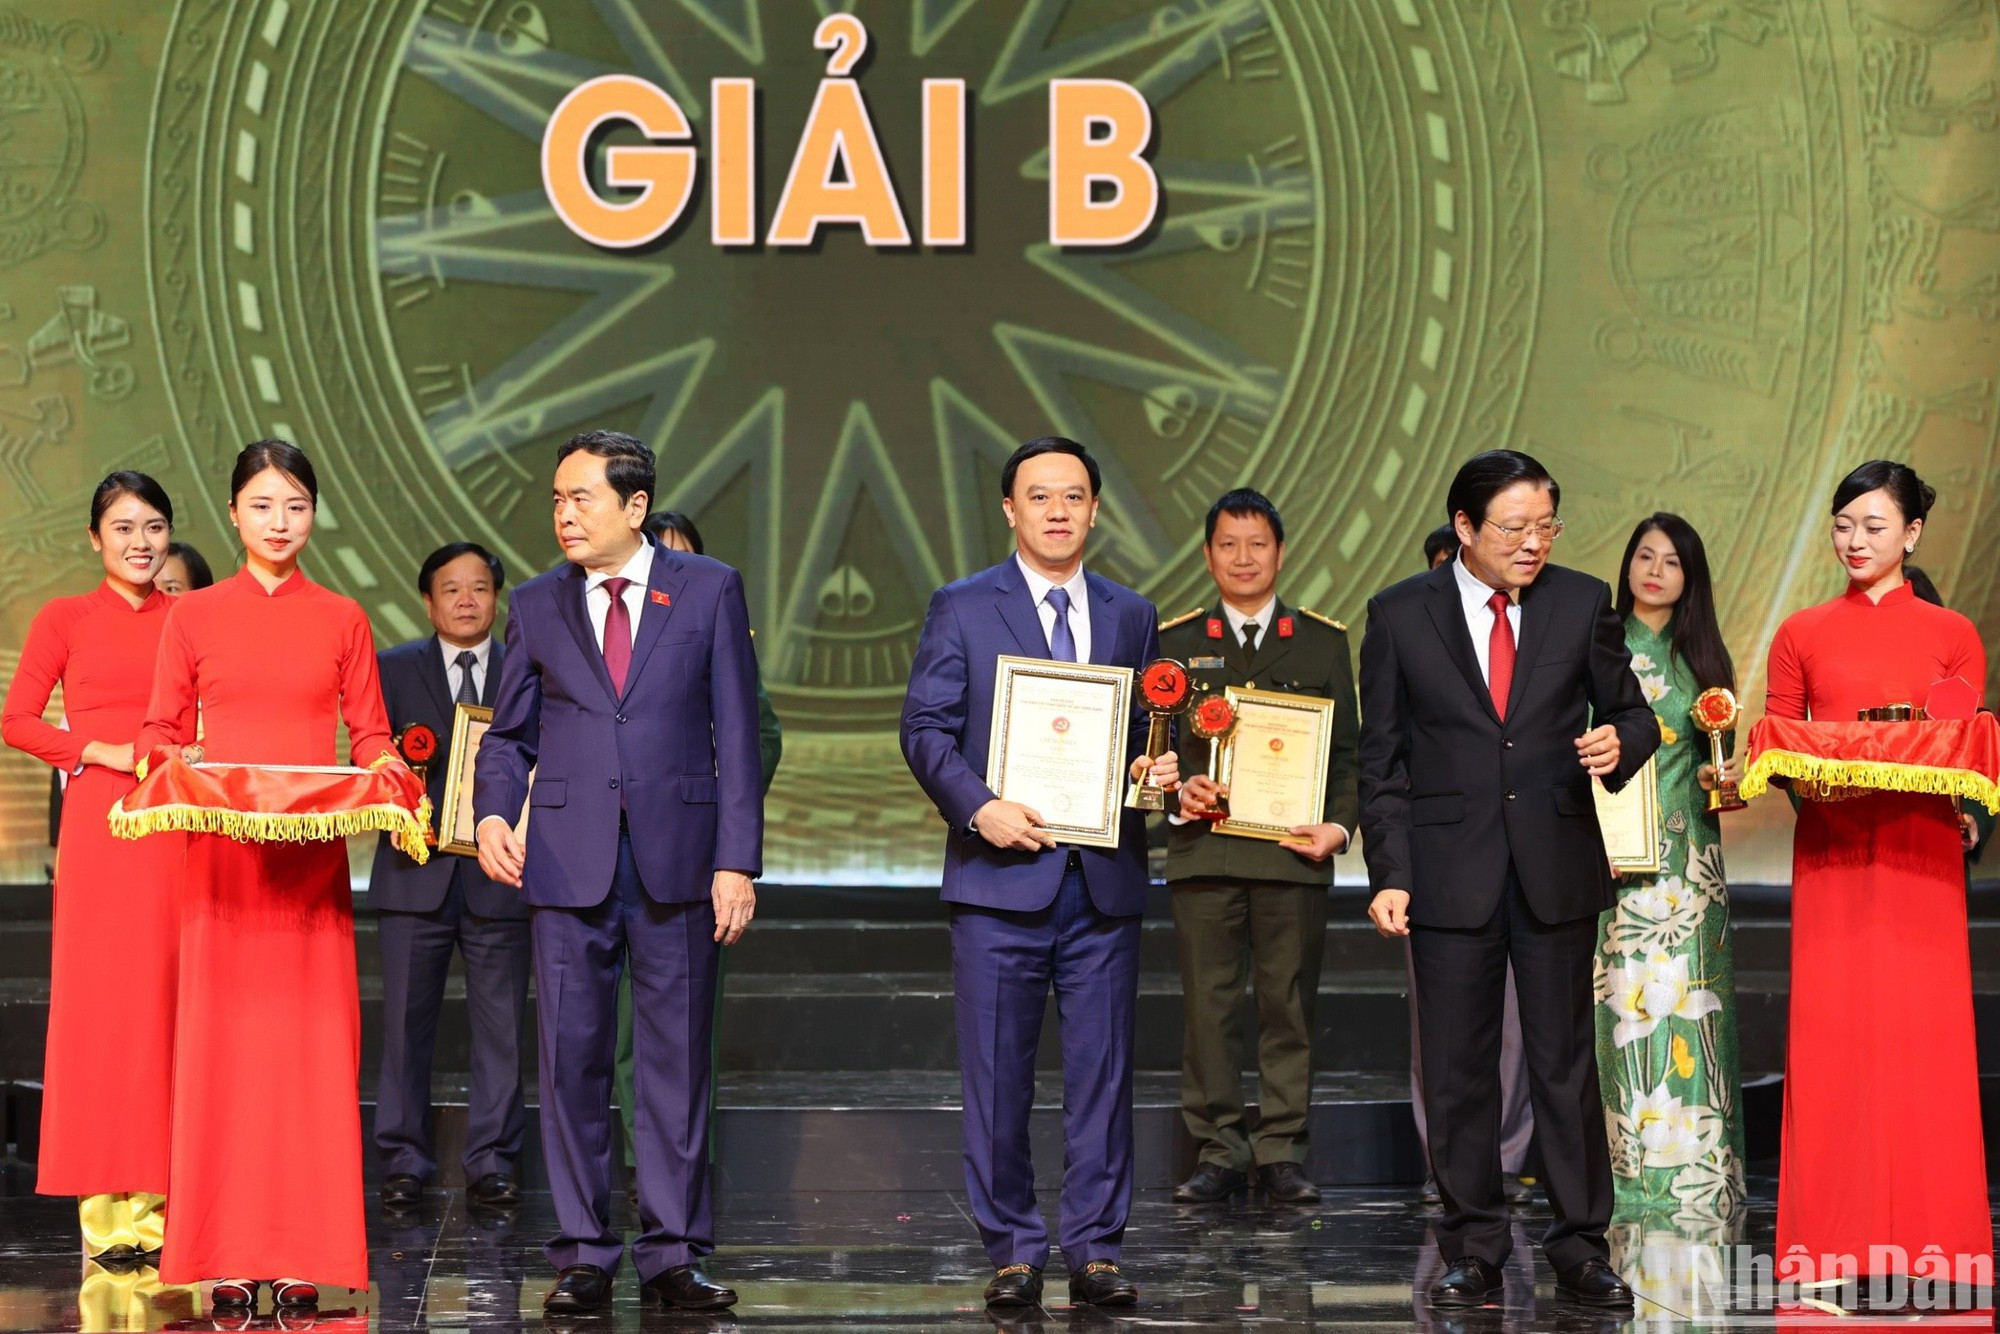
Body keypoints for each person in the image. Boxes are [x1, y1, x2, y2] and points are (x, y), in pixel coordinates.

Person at [1358, 449, 1658, 1309]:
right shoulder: (1399, 614)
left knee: (1564, 1065)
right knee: (1459, 1069)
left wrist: (1620, 746)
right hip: (1449, 871)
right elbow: (1382, 762)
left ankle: (1579, 1245)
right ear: (1464, 529)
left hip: (1555, 865)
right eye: (1513, 528)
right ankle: (1474, 1243)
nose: (1533, 544)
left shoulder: (1579, 599)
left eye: (1545, 526)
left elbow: (1631, 711)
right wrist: (1391, 872)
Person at [474, 430, 762, 1315]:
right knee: (572, 1062)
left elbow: (738, 736)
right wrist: (489, 811)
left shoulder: (707, 591)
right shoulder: (536, 602)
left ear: (635, 507)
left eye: (582, 498)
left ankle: (673, 1252)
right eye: (557, 499)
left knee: (673, 1063)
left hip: (679, 857)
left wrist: (736, 860)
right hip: (565, 859)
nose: (564, 514)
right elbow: (508, 733)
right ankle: (583, 1253)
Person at [900, 436, 1178, 1311]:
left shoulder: (1132, 612)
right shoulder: (962, 606)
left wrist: (1153, 770)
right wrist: (980, 807)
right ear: (1011, 510)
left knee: (1102, 1072)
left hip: (1101, 879)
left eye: (1074, 496)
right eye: (1039, 496)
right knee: (997, 1075)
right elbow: (925, 732)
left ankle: (1096, 1247)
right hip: (997, 879)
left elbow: (1139, 737)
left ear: (1097, 510)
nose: (1058, 511)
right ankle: (1014, 1248)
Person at [135, 440, 406, 1309]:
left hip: (307, 873)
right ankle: (223, 1254)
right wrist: (165, 770)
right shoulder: (194, 615)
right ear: (233, 514)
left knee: (307, 1057)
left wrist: (392, 771)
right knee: (223, 1056)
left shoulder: (342, 618)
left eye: (294, 505)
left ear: (314, 513)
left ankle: (300, 1254)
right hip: (220, 872)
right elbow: (162, 733)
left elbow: (367, 736)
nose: (278, 522)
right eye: (261, 506)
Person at [1764, 461, 1991, 1293]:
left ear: (1912, 534)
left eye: (1873, 526)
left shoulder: (1953, 632)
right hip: (1830, 853)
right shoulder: (1801, 632)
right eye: (1843, 524)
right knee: (1833, 1043)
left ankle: (1940, 1246)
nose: (1855, 541)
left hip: (1920, 858)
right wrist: (1811, 775)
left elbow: (1952, 748)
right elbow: (1783, 747)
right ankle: (1827, 1247)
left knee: (1924, 1043)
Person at [2, 473, 185, 1266]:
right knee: (104, 1011)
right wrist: (94, 750)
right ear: (94, 538)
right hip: (103, 827)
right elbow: (15, 717)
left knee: (172, 1007)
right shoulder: (64, 618)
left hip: (181, 826)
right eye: (123, 528)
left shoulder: (192, 618)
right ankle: (109, 1209)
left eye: (153, 527)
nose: (140, 542)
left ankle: (179, 1197)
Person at [1158, 488, 1358, 1206]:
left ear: (1281, 551)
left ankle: (1281, 1151)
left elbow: (1349, 758)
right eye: (1228, 544)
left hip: (1293, 856)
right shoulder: (1175, 644)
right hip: (1203, 855)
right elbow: (1149, 755)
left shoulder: (1322, 642)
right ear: (1208, 553)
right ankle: (1218, 1150)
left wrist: (1338, 828)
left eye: (1258, 544)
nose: (1244, 558)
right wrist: (1174, 794)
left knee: (1288, 1006)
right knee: (1209, 1011)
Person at [610, 512, 783, 1169]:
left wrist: (714, 805)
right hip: (613, 853)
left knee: (685, 1026)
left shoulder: (720, 636)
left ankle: (682, 1161)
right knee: (624, 1029)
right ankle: (637, 1161)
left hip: (693, 856)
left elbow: (760, 738)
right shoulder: (604, 634)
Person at [370, 542, 531, 1215]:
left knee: (503, 1029)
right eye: (452, 589)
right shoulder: (390, 669)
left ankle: (492, 1162)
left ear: (498, 598)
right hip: (415, 875)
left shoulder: (528, 670)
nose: (467, 601)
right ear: (428, 600)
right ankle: (405, 1159)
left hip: (502, 874)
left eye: (480, 588)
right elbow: (369, 758)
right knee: (406, 1025)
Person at [1595, 513, 1745, 1219]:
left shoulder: (1703, 662)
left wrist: (1733, 780)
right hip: (1617, 860)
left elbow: (1720, 764)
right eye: (1644, 556)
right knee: (1626, 1011)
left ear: (1691, 578)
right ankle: (1628, 1178)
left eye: (1672, 562)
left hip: (1692, 864)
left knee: (1695, 1017)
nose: (1654, 570)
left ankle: (1700, 1171)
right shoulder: (1595, 643)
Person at [1409, 525, 1535, 1209]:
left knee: (1518, 1026)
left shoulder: (1534, 630)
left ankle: (1509, 1155)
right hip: (1441, 865)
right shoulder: (1406, 632)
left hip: (1526, 861)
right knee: (1442, 1033)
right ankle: (1448, 1164)